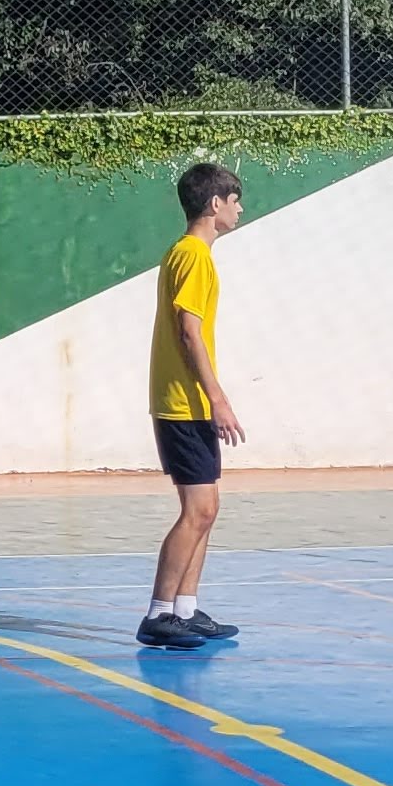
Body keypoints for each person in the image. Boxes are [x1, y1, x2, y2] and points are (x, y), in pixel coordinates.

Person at [141, 161, 247, 650]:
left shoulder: (186, 253)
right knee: (198, 509)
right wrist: (217, 397)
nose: (240, 208)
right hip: (184, 403)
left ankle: (185, 608)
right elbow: (189, 329)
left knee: (207, 507)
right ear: (214, 205)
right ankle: (159, 613)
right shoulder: (194, 256)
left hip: (185, 402)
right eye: (235, 199)